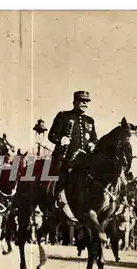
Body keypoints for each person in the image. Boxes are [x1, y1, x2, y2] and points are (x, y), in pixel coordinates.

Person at [47, 90, 101, 240]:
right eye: (81, 100)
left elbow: (95, 139)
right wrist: (61, 139)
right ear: (74, 102)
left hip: (83, 161)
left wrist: (92, 144)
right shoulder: (63, 116)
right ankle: (55, 203)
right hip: (65, 159)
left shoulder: (90, 121)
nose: (84, 104)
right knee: (59, 179)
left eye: (86, 101)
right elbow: (51, 135)